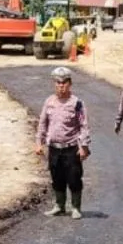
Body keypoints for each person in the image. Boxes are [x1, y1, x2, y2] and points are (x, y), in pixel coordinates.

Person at [36, 67, 92, 219]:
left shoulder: (77, 103)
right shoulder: (49, 102)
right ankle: (59, 206)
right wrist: (39, 143)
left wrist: (84, 147)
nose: (61, 85)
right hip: (54, 148)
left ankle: (75, 207)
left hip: (71, 148)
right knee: (57, 178)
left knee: (74, 178)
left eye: (64, 82)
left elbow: (83, 126)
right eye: (58, 82)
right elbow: (42, 123)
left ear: (70, 83)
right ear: (54, 84)